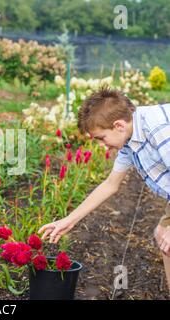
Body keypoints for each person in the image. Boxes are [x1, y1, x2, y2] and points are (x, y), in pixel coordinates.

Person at [39, 87, 170, 292]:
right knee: (164, 237)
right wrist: (68, 221)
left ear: (117, 125)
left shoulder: (158, 129)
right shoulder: (129, 137)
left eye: (101, 138)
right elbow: (110, 184)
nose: (102, 146)